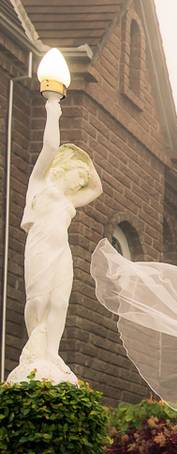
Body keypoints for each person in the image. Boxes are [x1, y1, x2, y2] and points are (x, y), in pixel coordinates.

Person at [7, 95, 102, 384]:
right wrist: (53, 108)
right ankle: (35, 349)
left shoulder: (69, 200)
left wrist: (86, 161)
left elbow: (97, 188)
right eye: (77, 175)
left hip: (61, 252)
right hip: (39, 250)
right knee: (38, 299)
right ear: (61, 169)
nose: (80, 182)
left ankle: (51, 352)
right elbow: (50, 147)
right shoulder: (40, 185)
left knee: (59, 301)